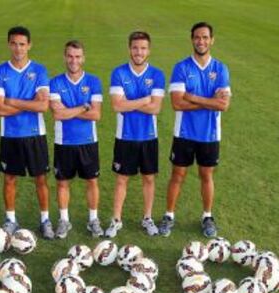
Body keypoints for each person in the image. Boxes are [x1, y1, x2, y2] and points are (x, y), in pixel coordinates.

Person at [158, 22, 231, 238]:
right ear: (192, 40)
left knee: (206, 175)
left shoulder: (220, 69)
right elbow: (177, 104)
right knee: (177, 175)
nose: (201, 41)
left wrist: (193, 97)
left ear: (212, 40)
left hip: (210, 134)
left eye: (205, 37)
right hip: (185, 133)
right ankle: (169, 215)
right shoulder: (182, 68)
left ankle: (207, 216)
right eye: (197, 37)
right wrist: (209, 100)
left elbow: (223, 105)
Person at [0, 26, 54, 239]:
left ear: (29, 45)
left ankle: (45, 220)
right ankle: (11, 220)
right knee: (9, 179)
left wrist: (14, 102)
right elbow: (0, 109)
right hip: (10, 135)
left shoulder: (40, 70)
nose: (18, 48)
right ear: (9, 44)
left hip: (36, 134)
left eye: (22, 44)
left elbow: (44, 106)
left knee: (41, 179)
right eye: (14, 43)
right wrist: (30, 103)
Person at [105, 31, 165, 238]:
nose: (139, 52)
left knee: (148, 178)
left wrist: (129, 104)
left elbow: (156, 109)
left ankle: (147, 218)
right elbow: (116, 105)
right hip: (125, 136)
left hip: (149, 136)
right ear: (129, 49)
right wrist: (145, 99)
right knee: (122, 179)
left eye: (143, 48)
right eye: (135, 47)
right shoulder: (119, 73)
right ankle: (116, 220)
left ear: (149, 50)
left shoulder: (157, 74)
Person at [49, 40, 104, 239]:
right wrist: (83, 107)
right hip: (64, 141)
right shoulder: (55, 82)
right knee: (63, 183)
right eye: (70, 56)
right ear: (65, 57)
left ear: (83, 58)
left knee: (92, 181)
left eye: (77, 56)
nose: (74, 60)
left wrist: (68, 110)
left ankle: (93, 220)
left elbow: (96, 115)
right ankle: (64, 220)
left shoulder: (93, 81)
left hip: (88, 140)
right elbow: (57, 114)